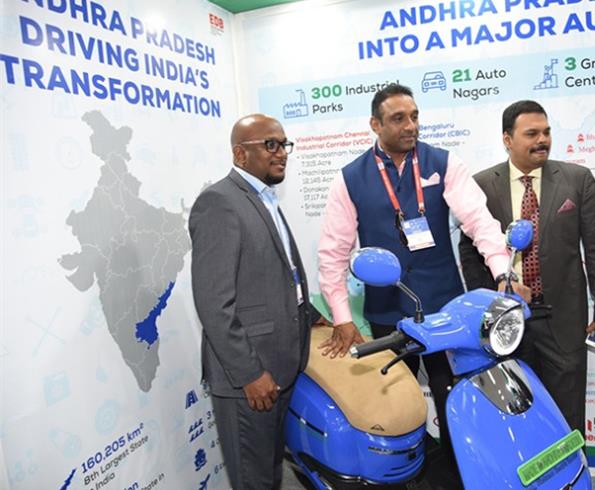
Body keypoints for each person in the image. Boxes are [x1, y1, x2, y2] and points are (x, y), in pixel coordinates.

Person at [317, 83, 524, 456]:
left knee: (452, 392)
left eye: (414, 117)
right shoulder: (349, 179)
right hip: (386, 309)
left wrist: (502, 273)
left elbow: (480, 222)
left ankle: (459, 466)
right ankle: (407, 472)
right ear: (375, 125)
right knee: (392, 399)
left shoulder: (443, 164)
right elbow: (333, 253)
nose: (410, 125)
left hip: (444, 307)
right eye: (399, 119)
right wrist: (342, 317)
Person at [458, 100, 595, 438]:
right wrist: (491, 303)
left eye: (546, 132)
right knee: (514, 415)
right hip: (508, 321)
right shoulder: (482, 186)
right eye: (531, 133)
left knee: (567, 416)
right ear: (507, 139)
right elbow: (469, 251)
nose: (542, 140)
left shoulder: (577, 180)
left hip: (563, 318)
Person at [189, 114, 320, 489]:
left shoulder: (264, 199)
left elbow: (275, 280)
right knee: (254, 481)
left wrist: (313, 317)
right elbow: (215, 303)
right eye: (270, 145)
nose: (282, 153)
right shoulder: (219, 202)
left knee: (268, 474)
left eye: (284, 144)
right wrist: (249, 373)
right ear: (240, 153)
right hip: (250, 378)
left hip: (279, 371)